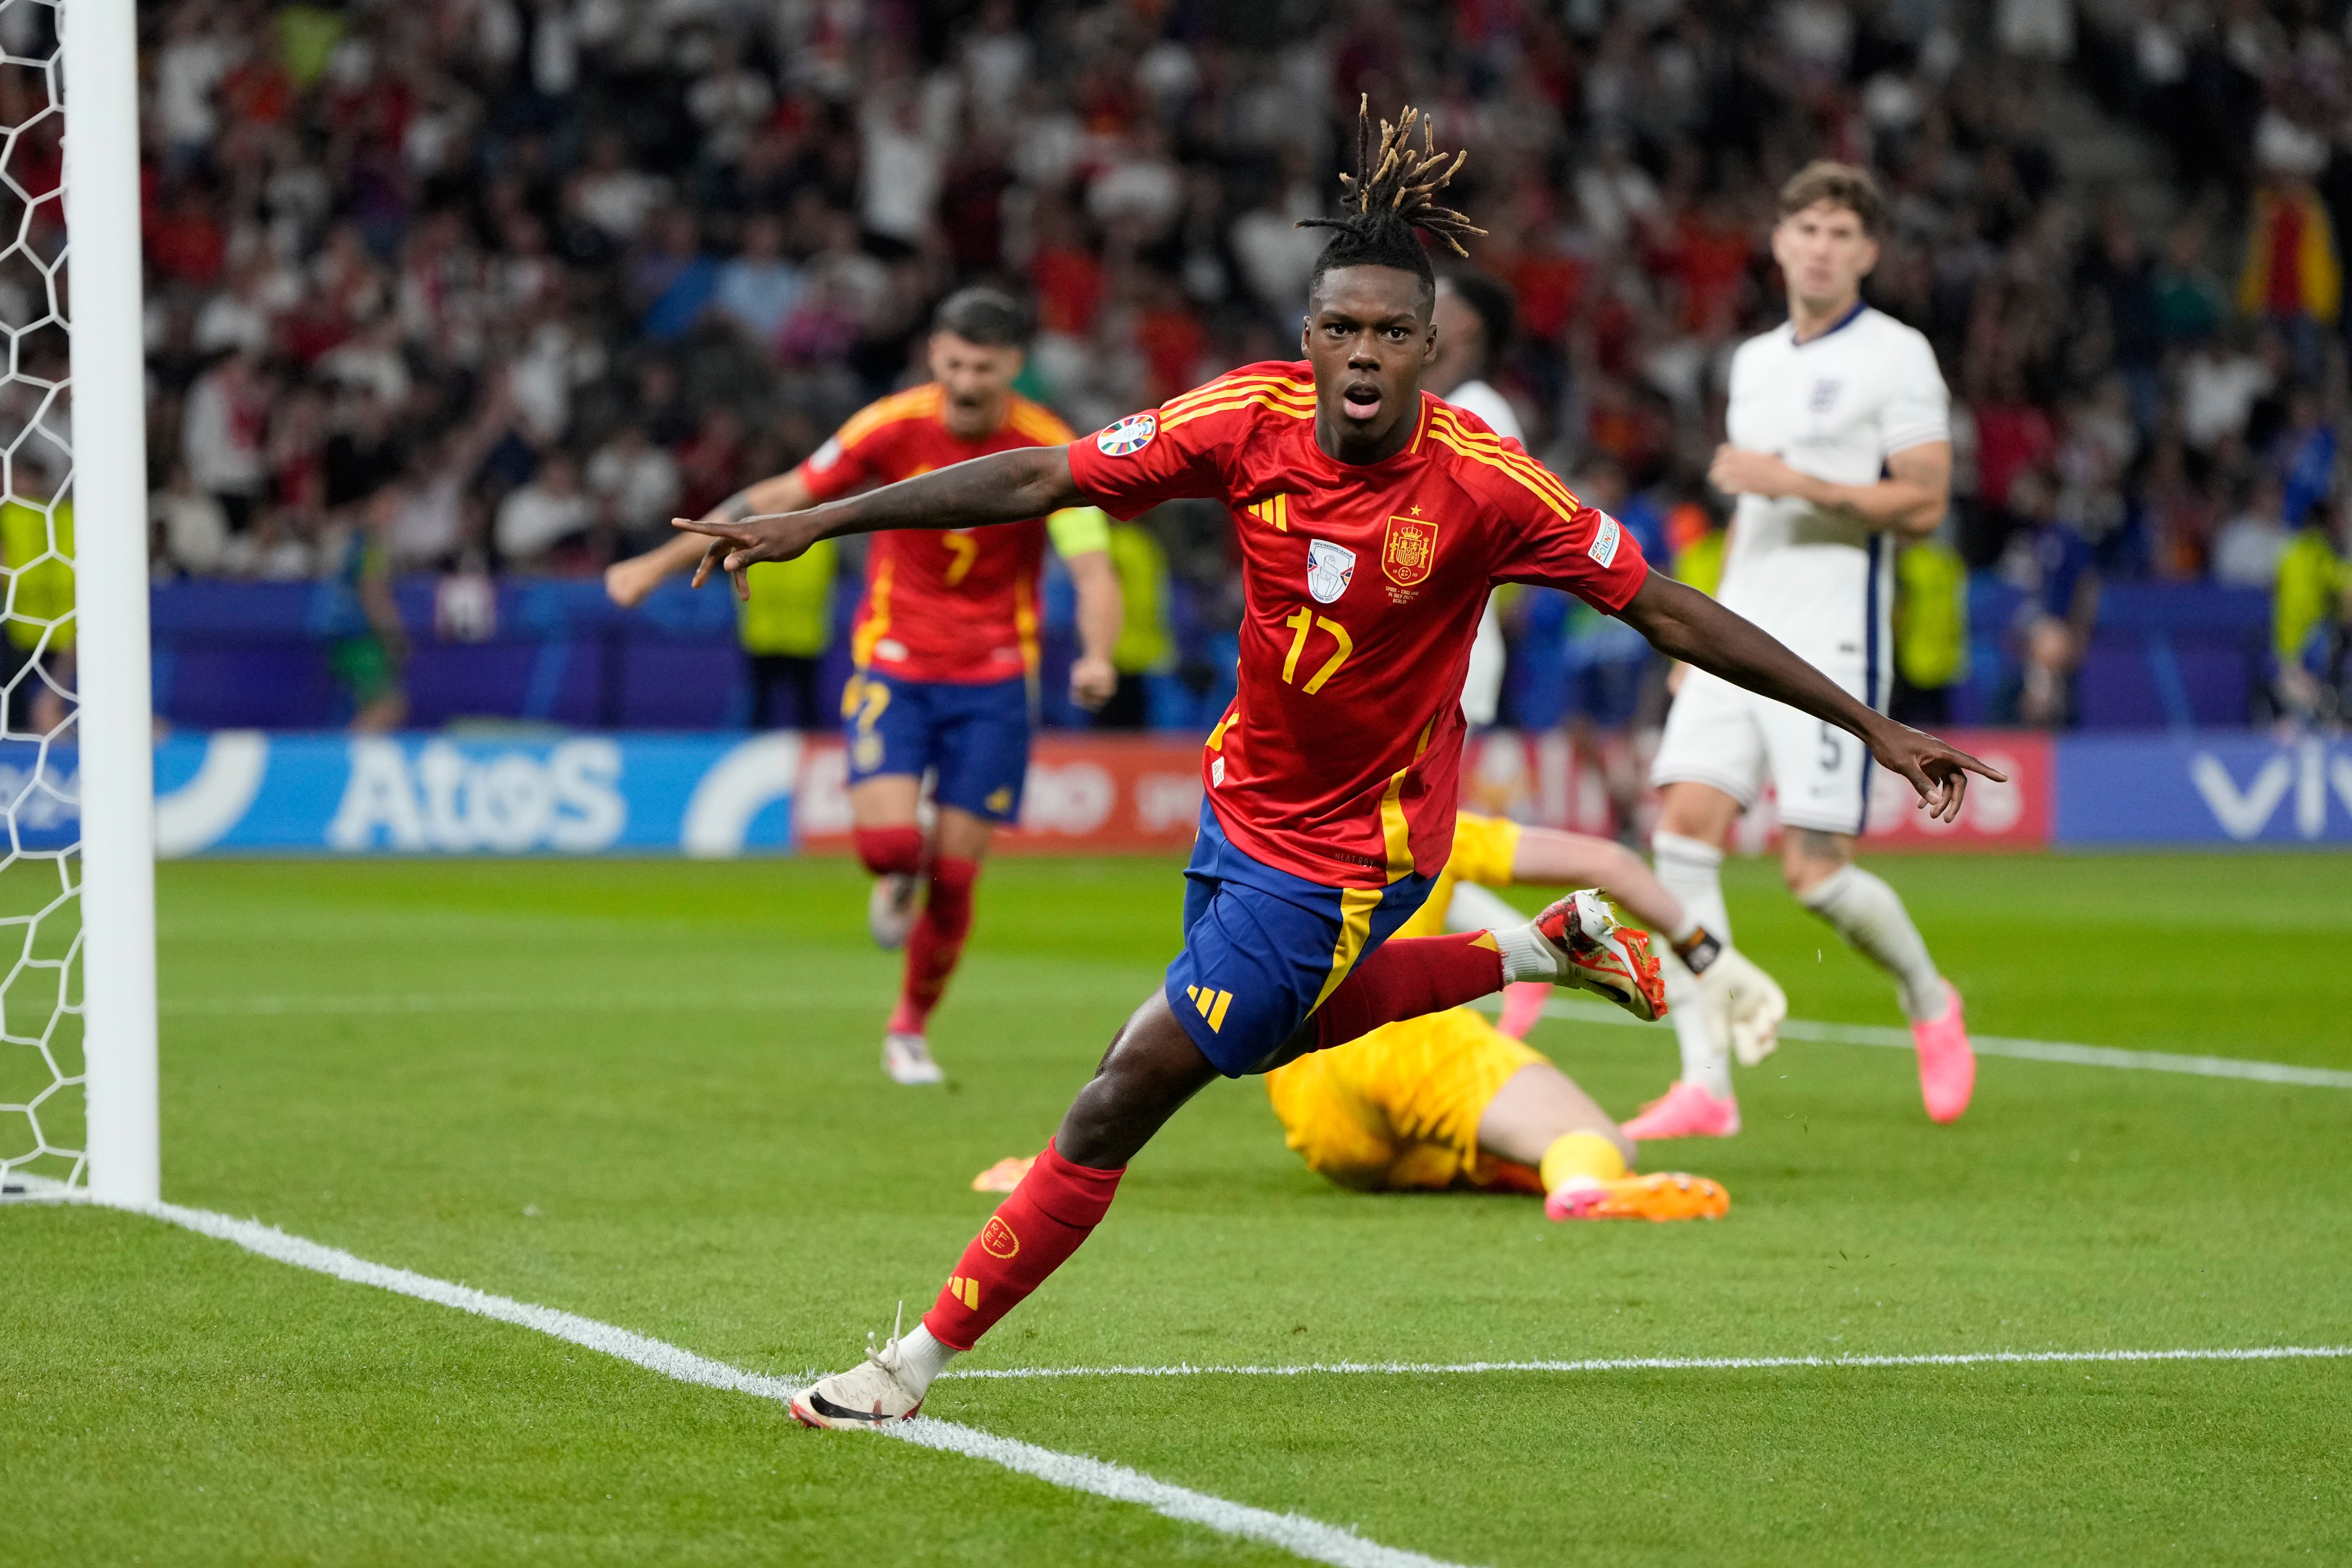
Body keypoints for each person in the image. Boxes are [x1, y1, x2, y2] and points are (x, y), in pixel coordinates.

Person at [681, 105, 1994, 1427]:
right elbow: (1037, 479)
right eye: (1340, 329)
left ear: (1433, 348)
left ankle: (909, 1367)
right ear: (1309, 337)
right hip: (1241, 801)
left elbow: (1668, 608)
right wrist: (821, 522)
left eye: (1391, 333)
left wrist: (1866, 723)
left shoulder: (1490, 487)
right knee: (1265, 1043)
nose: (1363, 353)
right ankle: (1538, 953)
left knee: (1120, 1089)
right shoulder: (1241, 423)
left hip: (1360, 850)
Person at [604, 287, 1123, 1083]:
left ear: (1013, 366)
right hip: (894, 661)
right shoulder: (889, 425)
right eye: (953, 361)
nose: (966, 379)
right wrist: (655, 563)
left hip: (995, 676)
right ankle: (894, 876)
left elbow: (1092, 567)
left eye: (983, 365)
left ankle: (908, 1028)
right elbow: (783, 496)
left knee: (956, 875)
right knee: (889, 845)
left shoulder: (1049, 447)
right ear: (934, 355)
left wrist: (1095, 655)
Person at [1636, 162, 1975, 1142]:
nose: (1820, 246)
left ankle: (1924, 995)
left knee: (1812, 873)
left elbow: (1921, 500)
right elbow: (1747, 518)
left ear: (1865, 251)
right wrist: (1691, 639)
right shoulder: (1750, 362)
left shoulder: (1896, 353)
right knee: (1678, 837)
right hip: (1737, 630)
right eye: (1806, 229)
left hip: (1829, 633)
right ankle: (1705, 1082)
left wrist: (1792, 478)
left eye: (1840, 232)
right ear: (1777, 243)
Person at [1260, 811, 1781, 1219]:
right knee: (1599, 1143)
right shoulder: (1423, 822)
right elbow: (1610, 865)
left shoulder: (1278, 825)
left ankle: (1526, 1162)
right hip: (1397, 1035)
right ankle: (1583, 1189)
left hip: (1310, 1101)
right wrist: (1703, 952)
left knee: (1489, 1148)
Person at [1423, 270, 1518, 725]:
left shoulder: (1481, 414)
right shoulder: (1425, 411)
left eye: (1435, 298)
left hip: (1447, 671)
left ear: (1465, 325)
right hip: (1408, 670)